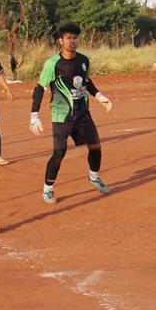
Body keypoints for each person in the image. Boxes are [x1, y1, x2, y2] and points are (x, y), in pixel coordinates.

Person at [29, 23, 113, 204]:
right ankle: (48, 189)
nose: (72, 41)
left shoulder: (83, 60)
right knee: (59, 152)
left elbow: (86, 81)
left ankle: (93, 176)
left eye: (75, 37)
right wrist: (34, 116)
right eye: (68, 38)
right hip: (61, 115)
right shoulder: (53, 64)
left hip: (83, 113)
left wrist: (99, 96)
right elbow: (40, 88)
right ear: (60, 41)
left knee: (95, 146)